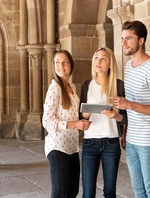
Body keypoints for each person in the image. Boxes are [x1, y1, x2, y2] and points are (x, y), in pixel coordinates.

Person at [112, 20, 150, 198]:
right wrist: (125, 131)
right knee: (138, 189)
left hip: (149, 141)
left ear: (141, 41)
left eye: (128, 39)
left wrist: (129, 105)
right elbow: (130, 107)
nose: (124, 43)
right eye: (122, 39)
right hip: (131, 139)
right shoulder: (129, 66)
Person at [42, 50, 91, 198]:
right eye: (57, 62)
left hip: (72, 146)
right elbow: (47, 121)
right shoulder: (54, 88)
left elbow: (73, 114)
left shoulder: (72, 87)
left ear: (71, 65)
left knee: (72, 191)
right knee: (59, 193)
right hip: (57, 146)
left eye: (65, 62)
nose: (61, 66)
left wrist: (84, 119)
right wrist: (75, 124)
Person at [80, 47, 127, 198]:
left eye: (103, 58)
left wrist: (115, 116)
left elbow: (126, 118)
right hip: (89, 143)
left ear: (110, 64)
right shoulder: (86, 85)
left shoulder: (119, 85)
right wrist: (87, 112)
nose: (98, 61)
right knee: (88, 193)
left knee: (109, 191)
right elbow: (81, 116)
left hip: (111, 143)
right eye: (96, 57)